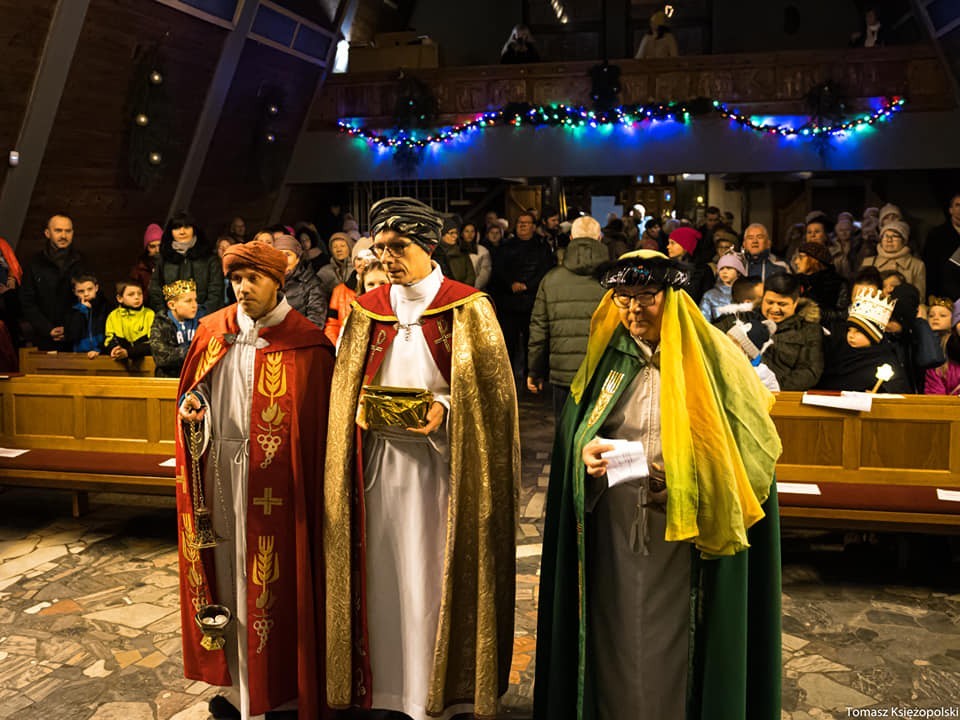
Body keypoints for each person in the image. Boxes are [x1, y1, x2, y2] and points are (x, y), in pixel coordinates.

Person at [535, 249, 782, 720]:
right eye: (622, 298)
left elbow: (751, 451)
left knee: (672, 636)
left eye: (646, 296)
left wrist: (692, 483)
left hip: (685, 534)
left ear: (672, 296)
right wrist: (585, 452)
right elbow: (577, 432)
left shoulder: (712, 361)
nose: (633, 310)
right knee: (616, 629)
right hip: (612, 526)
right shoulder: (607, 360)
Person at [324, 197, 519, 720]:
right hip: (381, 469)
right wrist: (356, 411)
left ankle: (437, 692)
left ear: (428, 247)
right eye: (380, 247)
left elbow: (494, 399)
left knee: (432, 573)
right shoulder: (367, 311)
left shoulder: (468, 307)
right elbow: (345, 387)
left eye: (397, 246)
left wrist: (446, 408)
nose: (386, 257)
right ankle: (387, 690)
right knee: (384, 574)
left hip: (443, 472)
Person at [175, 241, 334, 720]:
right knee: (224, 575)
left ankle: (280, 689)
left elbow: (320, 429)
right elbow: (191, 397)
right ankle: (234, 688)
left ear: (277, 281)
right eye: (236, 279)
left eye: (253, 279)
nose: (242, 289)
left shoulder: (306, 341)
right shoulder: (212, 331)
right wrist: (191, 410)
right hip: (220, 476)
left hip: (280, 486)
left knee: (273, 581)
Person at [527, 215, 609, 420]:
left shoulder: (551, 279)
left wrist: (535, 370)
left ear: (571, 238)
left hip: (564, 374)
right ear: (599, 238)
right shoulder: (612, 280)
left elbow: (539, 329)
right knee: (602, 438)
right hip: (605, 371)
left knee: (565, 436)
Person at [494, 211, 556, 386]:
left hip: (532, 302)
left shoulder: (542, 248)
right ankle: (508, 378)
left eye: (527, 223)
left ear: (534, 226)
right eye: (520, 222)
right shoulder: (506, 247)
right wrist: (511, 284)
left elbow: (545, 271)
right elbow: (498, 270)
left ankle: (533, 376)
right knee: (509, 343)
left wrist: (527, 285)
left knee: (533, 342)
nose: (522, 225)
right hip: (509, 302)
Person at [818, 288, 911, 393]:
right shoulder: (836, 353)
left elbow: (898, 395)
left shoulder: (886, 361)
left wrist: (880, 396)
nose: (851, 335)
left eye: (858, 331)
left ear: (873, 335)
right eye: (849, 330)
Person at [21, 213, 87, 351]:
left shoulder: (83, 262)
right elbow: (27, 302)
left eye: (68, 231)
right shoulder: (34, 263)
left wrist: (70, 328)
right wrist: (47, 329)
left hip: (78, 339)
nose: (63, 235)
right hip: (43, 338)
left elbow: (91, 299)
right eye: (58, 230)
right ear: (47, 233)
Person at [148, 211, 224, 317]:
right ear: (171, 232)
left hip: (204, 318)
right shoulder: (164, 259)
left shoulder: (208, 258)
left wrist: (202, 314)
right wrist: (166, 314)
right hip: (171, 319)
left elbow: (216, 291)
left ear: (194, 229)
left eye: (187, 227)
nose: (182, 232)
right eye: (177, 228)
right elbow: (155, 289)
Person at [760, 273, 824, 390]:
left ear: (795, 303)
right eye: (769, 302)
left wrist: (773, 387)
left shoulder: (809, 330)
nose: (774, 309)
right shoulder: (746, 319)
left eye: (782, 304)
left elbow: (810, 372)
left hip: (784, 398)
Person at [269, 234, 327, 328]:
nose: (283, 259)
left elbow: (316, 318)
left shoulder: (311, 283)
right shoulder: (266, 281)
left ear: (297, 259)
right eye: (279, 254)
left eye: (288, 254)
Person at [860, 220, 926, 298]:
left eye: (894, 236)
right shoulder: (869, 262)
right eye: (885, 236)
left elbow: (919, 297)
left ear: (904, 241)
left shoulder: (916, 265)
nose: (889, 240)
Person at [794, 241, 849, 330]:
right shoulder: (795, 281)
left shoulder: (837, 283)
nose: (796, 261)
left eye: (801, 257)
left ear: (814, 259)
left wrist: (815, 311)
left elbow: (843, 314)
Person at [150, 279, 199, 378]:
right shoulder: (161, 324)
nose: (195, 305)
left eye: (195, 300)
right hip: (169, 380)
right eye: (188, 301)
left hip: (195, 379)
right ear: (172, 305)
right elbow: (162, 358)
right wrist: (193, 352)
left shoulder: (201, 321)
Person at [923, 192, 960, 300]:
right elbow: (930, 267)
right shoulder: (936, 235)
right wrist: (931, 294)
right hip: (943, 296)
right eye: (957, 205)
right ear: (950, 210)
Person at [105, 281, 155, 360]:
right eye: (131, 294)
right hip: (120, 361)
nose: (137, 297)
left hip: (145, 359)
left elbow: (153, 342)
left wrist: (128, 352)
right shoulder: (113, 316)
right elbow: (109, 339)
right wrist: (114, 349)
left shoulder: (149, 314)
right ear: (120, 298)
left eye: (139, 294)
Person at [65, 273, 110, 358]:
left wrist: (99, 349)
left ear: (96, 288)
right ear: (74, 292)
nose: (86, 294)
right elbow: (72, 335)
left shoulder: (105, 307)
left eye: (90, 289)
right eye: (81, 291)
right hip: (79, 355)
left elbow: (110, 333)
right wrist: (82, 310)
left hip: (103, 353)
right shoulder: (72, 310)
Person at [666, 226, 712, 302]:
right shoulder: (667, 267)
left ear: (685, 245)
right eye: (669, 243)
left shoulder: (703, 271)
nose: (668, 246)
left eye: (673, 243)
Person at [700, 251, 746, 322]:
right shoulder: (710, 295)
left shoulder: (748, 292)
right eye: (721, 269)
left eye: (729, 268)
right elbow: (704, 322)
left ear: (739, 272)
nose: (724, 272)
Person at [433, 218, 476, 285]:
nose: (455, 236)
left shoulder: (461, 252)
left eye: (456, 233)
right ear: (442, 234)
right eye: (451, 233)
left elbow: (471, 275)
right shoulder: (434, 254)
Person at [316, 231, 353, 300]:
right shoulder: (325, 272)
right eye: (335, 247)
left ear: (350, 248)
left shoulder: (356, 269)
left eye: (342, 246)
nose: (339, 250)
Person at [130, 223, 163, 295]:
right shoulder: (139, 270)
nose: (157, 250)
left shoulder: (172, 264)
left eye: (160, 246)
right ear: (147, 248)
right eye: (152, 246)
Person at [461, 222, 492, 289]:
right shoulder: (456, 250)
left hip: (475, 288)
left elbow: (484, 273)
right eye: (467, 231)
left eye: (472, 231)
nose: (470, 234)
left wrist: (475, 287)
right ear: (462, 233)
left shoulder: (483, 251)